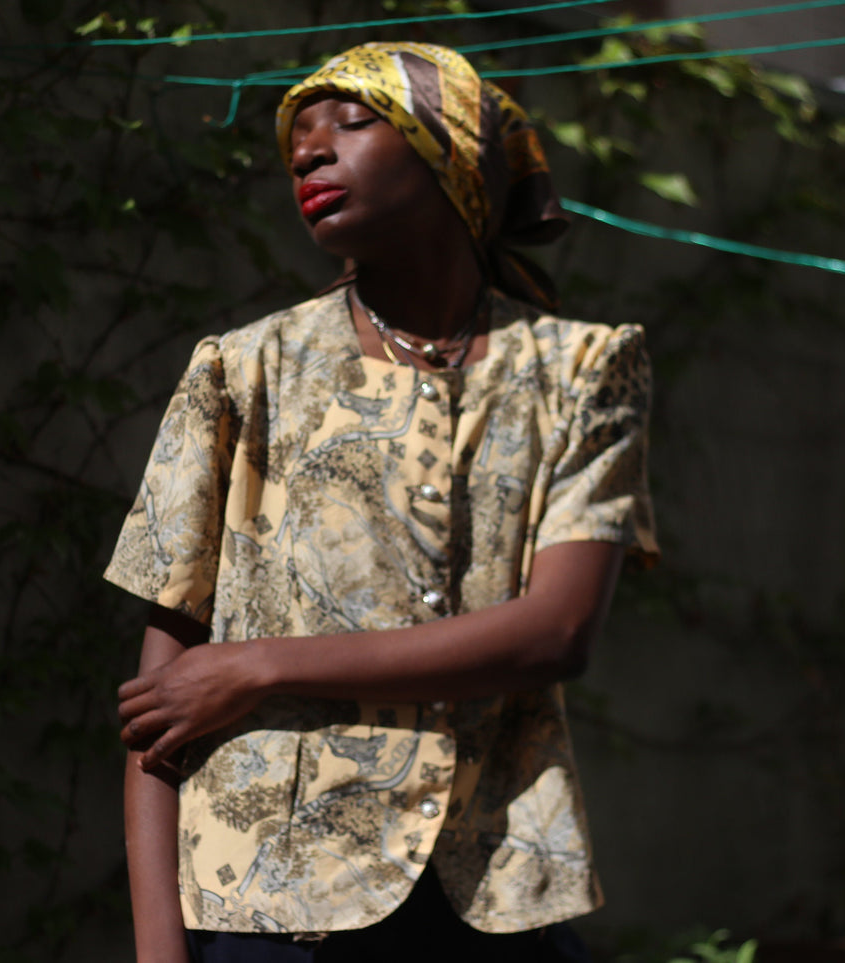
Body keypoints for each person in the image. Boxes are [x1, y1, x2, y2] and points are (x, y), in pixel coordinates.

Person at [104, 41, 657, 963]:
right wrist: (160, 955)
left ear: (453, 157)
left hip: (495, 893)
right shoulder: (242, 371)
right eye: (298, 146)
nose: (311, 153)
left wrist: (263, 665)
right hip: (271, 907)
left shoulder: (581, 370)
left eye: (352, 124)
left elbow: (558, 631)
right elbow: (161, 708)